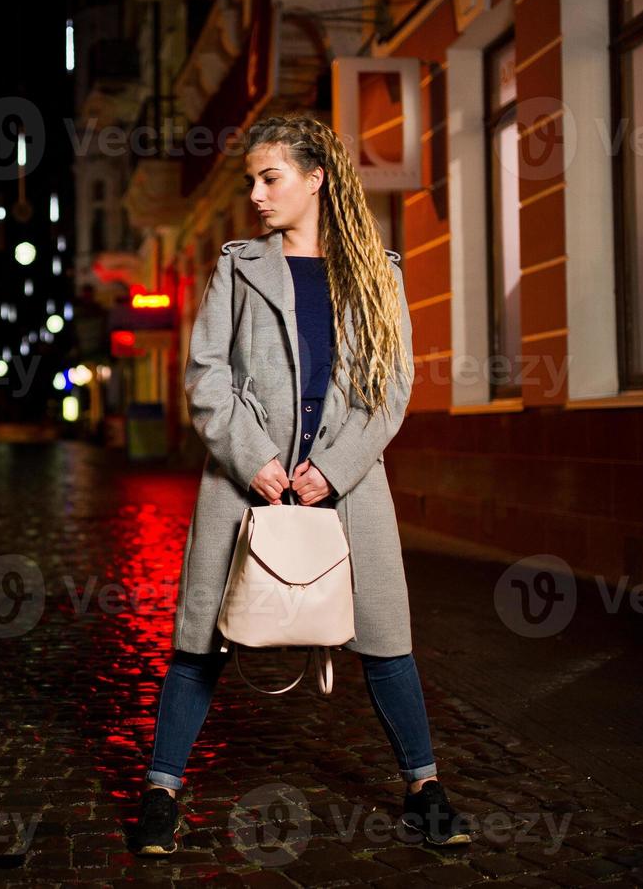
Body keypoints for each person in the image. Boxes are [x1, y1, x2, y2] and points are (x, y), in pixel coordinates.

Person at [133, 114, 473, 855]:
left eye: (269, 178)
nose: (256, 194)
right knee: (199, 640)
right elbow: (207, 375)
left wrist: (336, 467)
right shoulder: (238, 266)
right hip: (242, 479)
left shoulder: (376, 272)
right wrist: (250, 456)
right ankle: (160, 790)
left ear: (315, 178)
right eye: (251, 180)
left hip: (348, 486)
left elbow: (391, 386)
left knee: (385, 639)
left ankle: (424, 785)